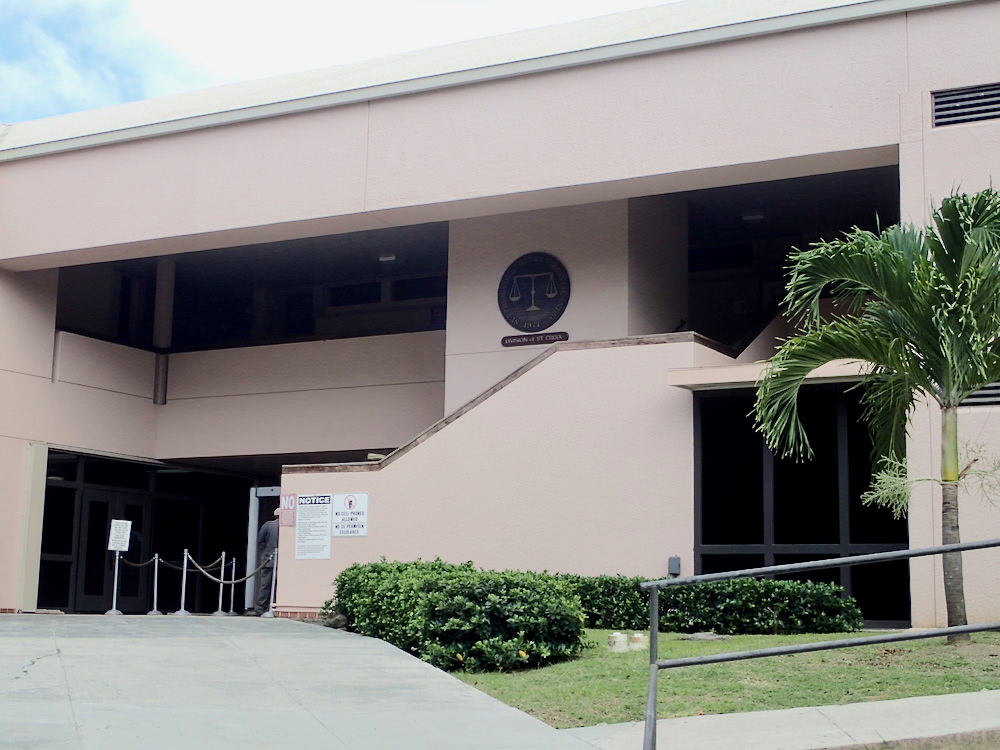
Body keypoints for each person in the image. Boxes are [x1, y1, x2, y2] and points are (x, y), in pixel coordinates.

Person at [254, 508, 279, 615]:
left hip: (268, 560)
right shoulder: (286, 527)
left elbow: (260, 540)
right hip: (282, 563)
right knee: (278, 585)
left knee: (265, 585)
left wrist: (264, 553)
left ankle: (260, 608)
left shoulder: (267, 525)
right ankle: (275, 606)